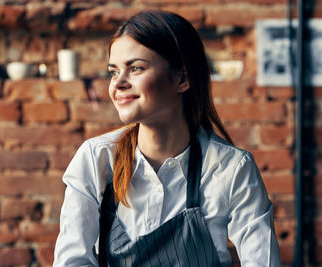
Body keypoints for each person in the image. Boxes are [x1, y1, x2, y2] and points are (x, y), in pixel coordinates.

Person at [53, 10, 281, 267]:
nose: (119, 83)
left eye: (136, 68)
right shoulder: (96, 159)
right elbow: (72, 262)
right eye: (114, 71)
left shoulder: (231, 168)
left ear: (182, 78)